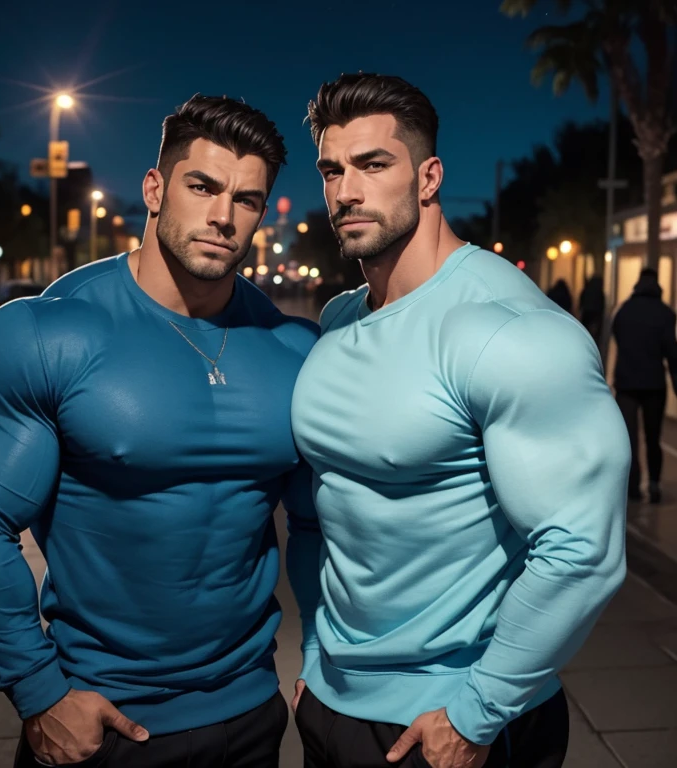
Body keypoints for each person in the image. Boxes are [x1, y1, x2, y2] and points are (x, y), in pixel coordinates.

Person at [0, 95, 322, 768]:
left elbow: (317, 525)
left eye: (247, 200)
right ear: (155, 189)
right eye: (203, 186)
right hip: (102, 724)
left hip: (252, 713)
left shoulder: (293, 351)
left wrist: (323, 651)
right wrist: (39, 690)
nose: (224, 216)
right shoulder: (54, 331)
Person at [290, 73, 630, 768]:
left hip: (446, 726)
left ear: (428, 176)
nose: (346, 191)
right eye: (332, 169)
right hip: (331, 704)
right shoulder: (341, 319)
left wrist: (476, 715)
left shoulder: (507, 332)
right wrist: (320, 654)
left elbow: (583, 551)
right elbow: (326, 510)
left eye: (373, 164)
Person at [612, 267, 677, 503]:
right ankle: (655, 484)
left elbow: (617, 336)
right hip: (654, 385)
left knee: (629, 438)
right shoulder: (666, 314)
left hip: (627, 384)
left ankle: (633, 486)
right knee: (653, 437)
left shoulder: (624, 311)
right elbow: (672, 353)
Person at [580, 275, 605, 345]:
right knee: (595, 337)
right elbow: (602, 305)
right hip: (596, 316)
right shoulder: (600, 292)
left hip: (586, 315)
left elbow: (581, 303)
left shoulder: (586, 290)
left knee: (586, 335)